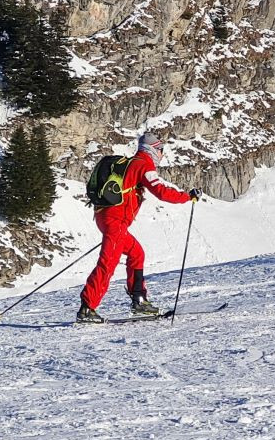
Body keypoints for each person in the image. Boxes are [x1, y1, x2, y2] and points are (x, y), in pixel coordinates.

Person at [77, 133, 202, 323]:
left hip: (108, 217)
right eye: (160, 150)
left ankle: (139, 301)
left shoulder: (132, 163)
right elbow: (160, 191)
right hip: (115, 220)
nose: (161, 155)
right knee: (108, 263)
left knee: (136, 253)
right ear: (151, 150)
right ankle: (87, 308)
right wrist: (187, 197)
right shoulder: (144, 164)